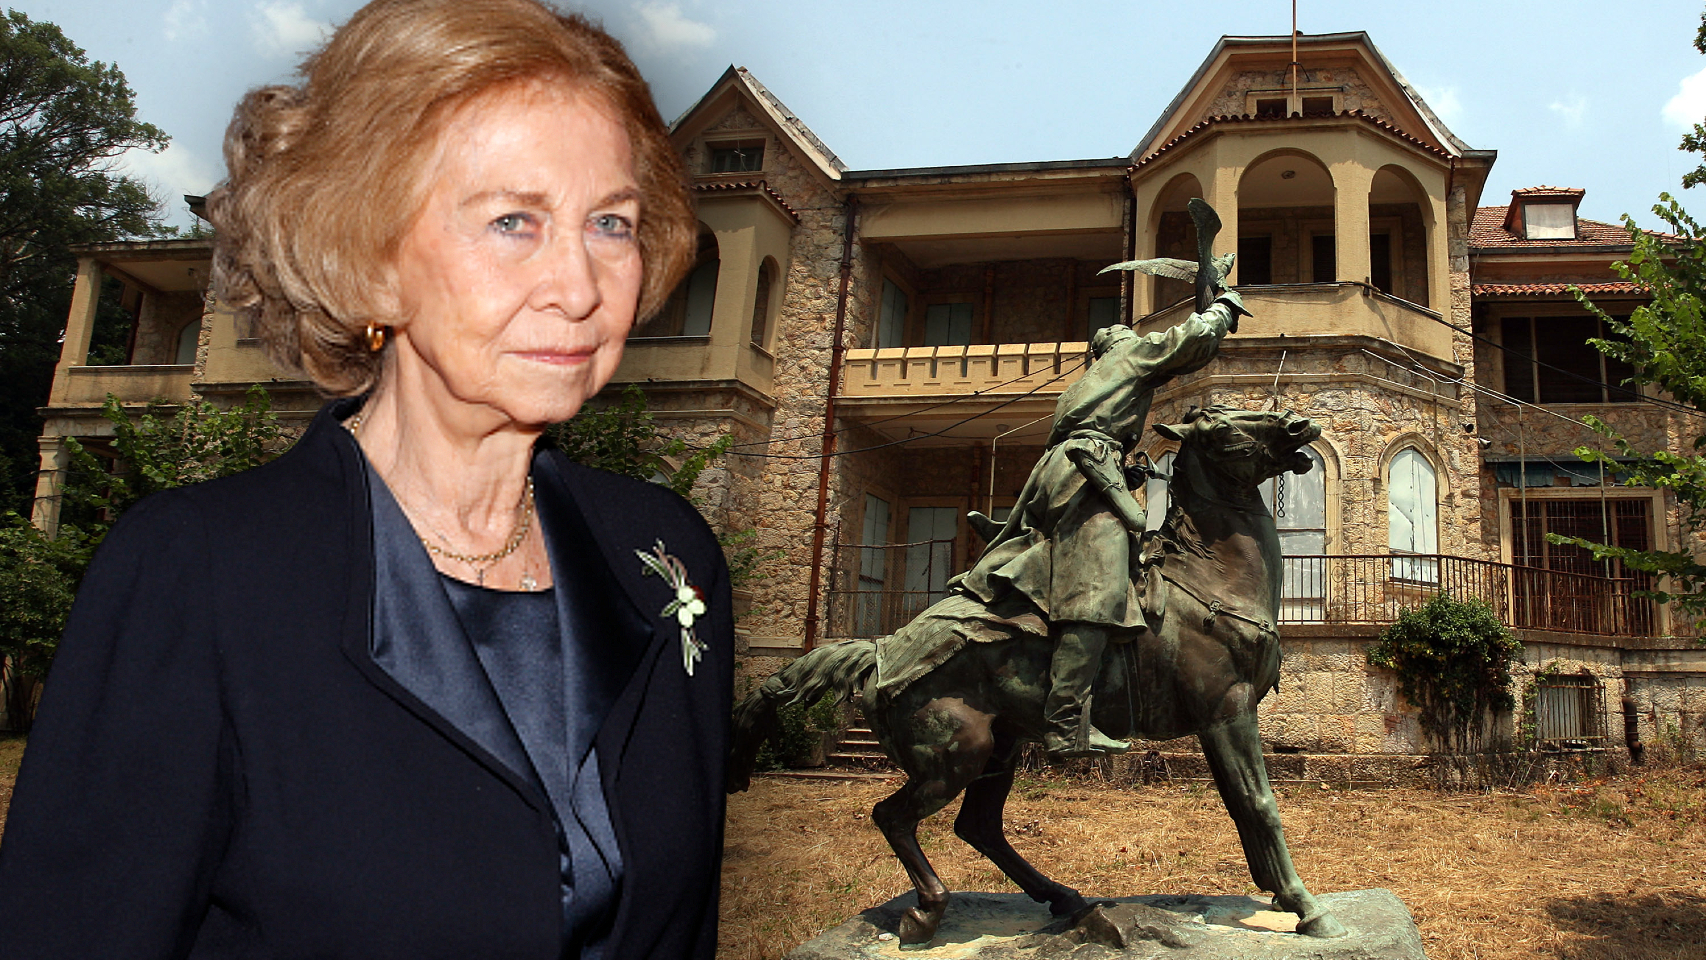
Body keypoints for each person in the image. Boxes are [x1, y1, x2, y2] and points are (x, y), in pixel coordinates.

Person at [0, 2, 731, 957]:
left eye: (610, 223)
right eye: (513, 220)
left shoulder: (668, 558)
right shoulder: (196, 573)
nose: (581, 286)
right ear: (369, 260)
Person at [959, 288, 1248, 760]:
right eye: (1125, 334)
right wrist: (1222, 309)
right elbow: (1188, 342)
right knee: (1096, 591)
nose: (1133, 337)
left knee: (1086, 573)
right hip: (1085, 470)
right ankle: (1065, 720)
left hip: (1071, 471)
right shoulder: (1127, 355)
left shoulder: (1088, 383)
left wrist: (1123, 475)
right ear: (1116, 343)